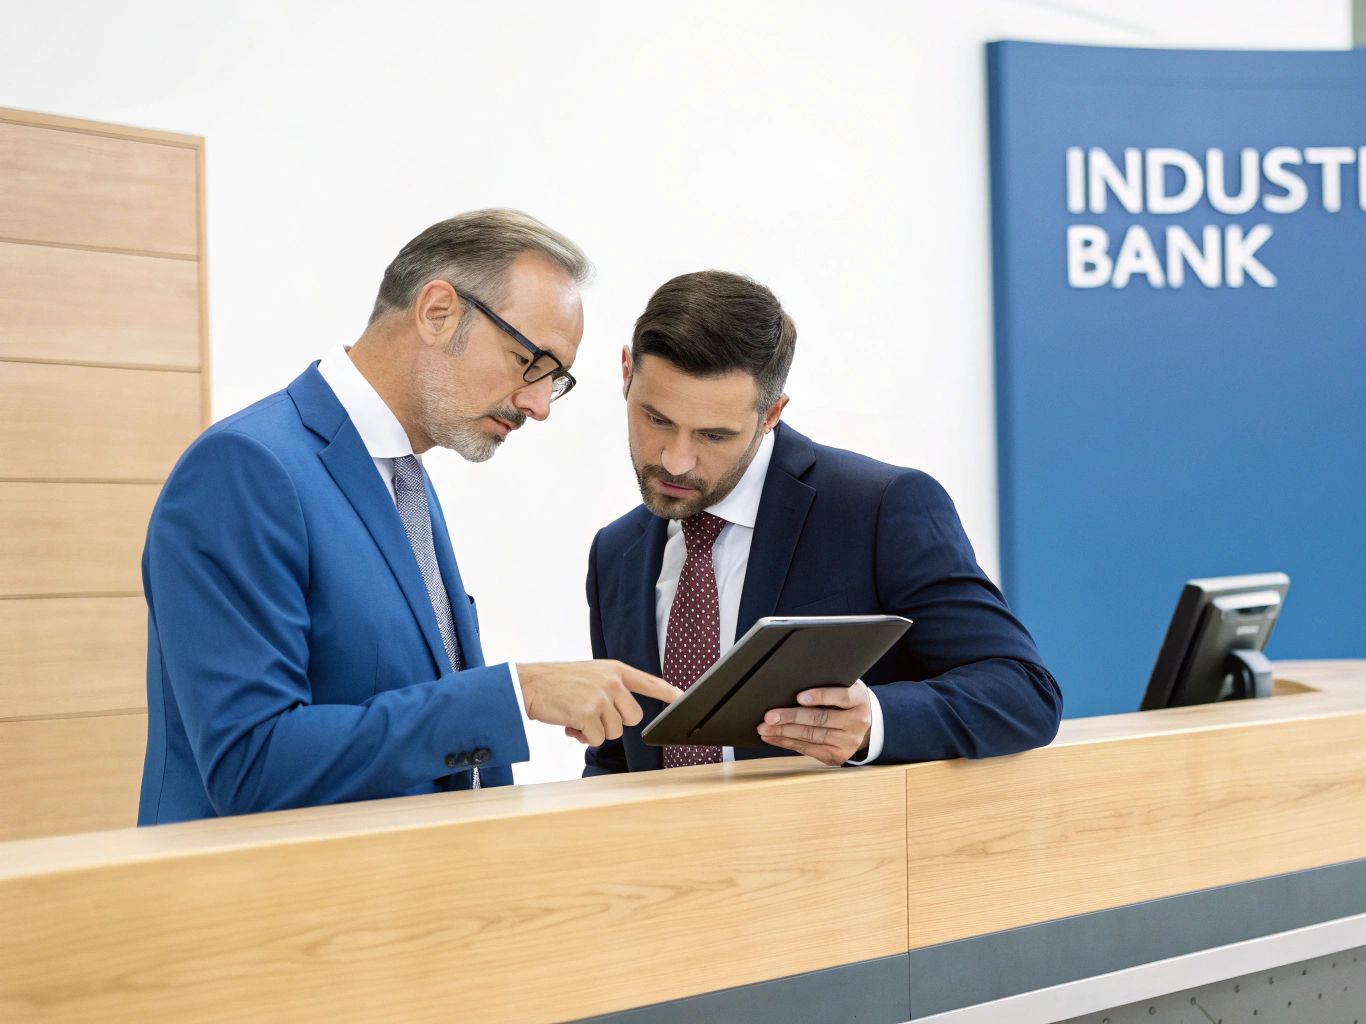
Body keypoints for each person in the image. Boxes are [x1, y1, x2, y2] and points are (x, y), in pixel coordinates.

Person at [139, 209, 680, 825]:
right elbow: (251, 765)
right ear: (437, 312)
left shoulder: (403, 474)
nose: (538, 404)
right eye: (530, 361)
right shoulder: (244, 467)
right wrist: (515, 694)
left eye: (556, 380)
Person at [584, 270, 1061, 773]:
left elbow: (1023, 692)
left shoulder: (879, 507)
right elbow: (621, 757)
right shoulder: (615, 551)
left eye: (713, 436)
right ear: (625, 374)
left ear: (771, 414)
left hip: (833, 847)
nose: (676, 460)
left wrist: (873, 722)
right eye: (656, 420)